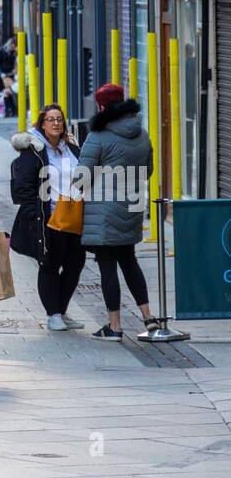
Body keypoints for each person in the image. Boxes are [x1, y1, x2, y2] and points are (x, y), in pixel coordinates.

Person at [78, 83, 159, 342]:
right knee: (129, 261)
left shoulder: (98, 135)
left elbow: (82, 177)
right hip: (132, 206)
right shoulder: (142, 133)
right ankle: (149, 317)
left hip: (103, 210)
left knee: (107, 266)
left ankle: (114, 326)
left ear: (101, 106)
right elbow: (148, 171)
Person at [10, 104, 86, 333]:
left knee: (75, 265)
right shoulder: (33, 149)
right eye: (51, 119)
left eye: (59, 119)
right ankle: (53, 314)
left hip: (73, 216)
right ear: (42, 124)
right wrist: (34, 215)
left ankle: (61, 310)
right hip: (49, 218)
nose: (55, 123)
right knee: (49, 265)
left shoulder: (70, 147)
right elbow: (24, 186)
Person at [0, 37, 18, 117]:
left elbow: (15, 63)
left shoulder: (14, 53)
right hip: (1, 74)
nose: (13, 48)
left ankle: (11, 109)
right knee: (5, 91)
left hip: (10, 74)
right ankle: (9, 109)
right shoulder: (1, 51)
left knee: (9, 91)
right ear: (10, 44)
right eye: (12, 46)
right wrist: (1, 73)